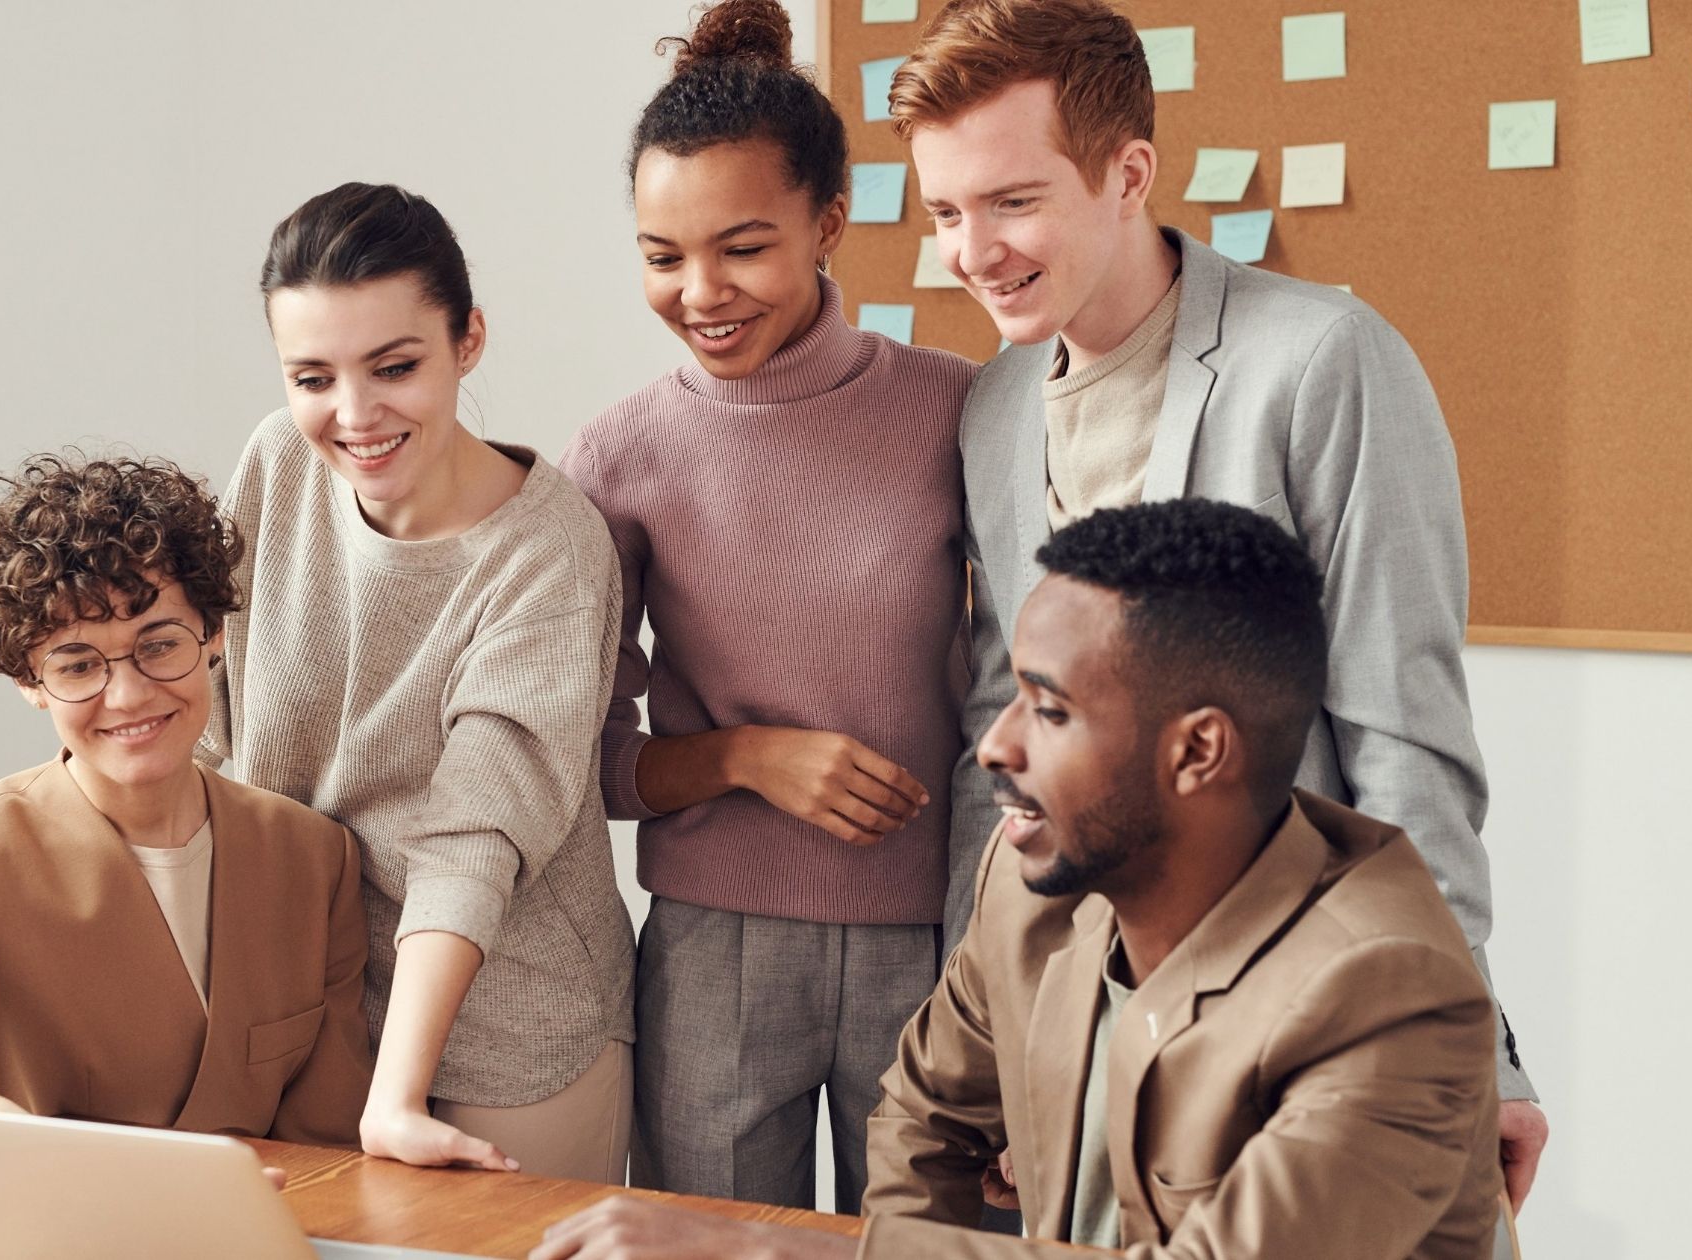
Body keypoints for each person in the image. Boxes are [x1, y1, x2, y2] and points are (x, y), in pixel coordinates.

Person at [891, 0, 1544, 1206]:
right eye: (942, 211)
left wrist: (1470, 1042)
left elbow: (1406, 736)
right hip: (1084, 1012)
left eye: (1010, 201)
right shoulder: (989, 410)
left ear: (1127, 173)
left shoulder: (1318, 362)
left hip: (1303, 1000)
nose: (969, 250)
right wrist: (987, 1045)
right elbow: (1004, 733)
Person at [530, 499, 1505, 1260]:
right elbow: (923, 1119)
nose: (993, 745)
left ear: (1198, 750)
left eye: (1047, 710)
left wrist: (760, 1243)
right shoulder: (1032, 875)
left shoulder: (1390, 995)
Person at [558, 0, 974, 1213]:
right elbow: (580, 761)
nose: (700, 291)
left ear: (828, 222)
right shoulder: (618, 457)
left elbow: (1031, 693)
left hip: (936, 945)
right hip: (708, 952)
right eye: (659, 255)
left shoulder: (962, 414)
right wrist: (743, 758)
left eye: (741, 246)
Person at [196, 182, 634, 1183]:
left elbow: (476, 827)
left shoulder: (549, 547)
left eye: (394, 367)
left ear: (466, 340)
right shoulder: (275, 466)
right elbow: (209, 726)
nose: (354, 416)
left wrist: (394, 1092)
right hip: (310, 999)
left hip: (510, 1025)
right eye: (312, 377)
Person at [0, 454, 371, 1160]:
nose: (130, 696)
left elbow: (329, 1139)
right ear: (30, 680)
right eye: (79, 664)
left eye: (159, 646)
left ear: (213, 638)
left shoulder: (313, 856)